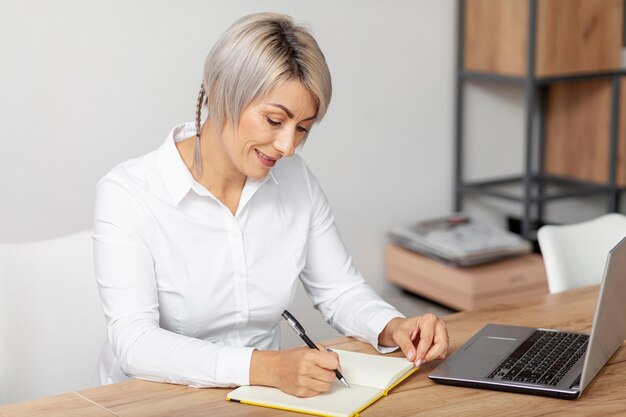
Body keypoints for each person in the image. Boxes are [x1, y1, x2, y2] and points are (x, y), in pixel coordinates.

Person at [93, 12, 449, 398]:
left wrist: (394, 327)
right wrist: (264, 367)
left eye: (302, 128)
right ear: (219, 89)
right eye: (274, 120)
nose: (288, 146)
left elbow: (340, 290)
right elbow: (135, 343)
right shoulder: (129, 193)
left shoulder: (295, 181)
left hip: (264, 399)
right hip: (152, 400)